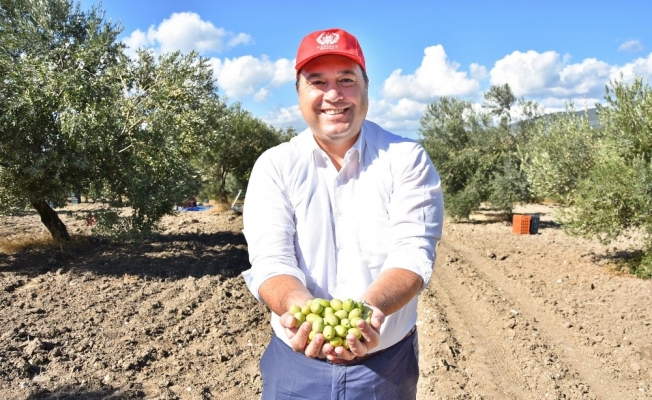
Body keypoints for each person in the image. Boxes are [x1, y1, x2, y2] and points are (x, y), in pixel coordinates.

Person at [242, 27, 444, 399]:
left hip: (386, 368)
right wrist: (298, 307)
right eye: (317, 82)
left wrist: (369, 311)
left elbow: (413, 253)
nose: (333, 94)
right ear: (299, 94)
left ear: (366, 87)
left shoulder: (406, 159)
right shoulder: (275, 166)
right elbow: (271, 260)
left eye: (346, 80)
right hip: (295, 366)